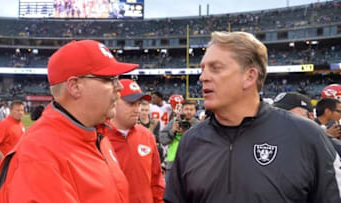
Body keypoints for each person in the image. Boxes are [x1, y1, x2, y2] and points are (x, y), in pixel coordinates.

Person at [164, 31, 341, 203]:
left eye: (215, 68)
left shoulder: (306, 137)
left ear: (249, 76)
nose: (203, 77)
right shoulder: (191, 142)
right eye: (202, 69)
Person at [0, 40, 138, 203]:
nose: (119, 87)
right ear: (75, 87)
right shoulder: (38, 156)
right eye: (110, 79)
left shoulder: (98, 134)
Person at [98, 79, 165, 203]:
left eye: (138, 104)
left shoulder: (147, 136)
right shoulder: (98, 137)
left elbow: (156, 180)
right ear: (114, 102)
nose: (137, 110)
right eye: (131, 104)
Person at [159, 100, 199, 179]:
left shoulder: (199, 125)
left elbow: (202, 145)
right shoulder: (174, 122)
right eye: (186, 109)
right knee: (169, 190)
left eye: (191, 109)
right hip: (173, 164)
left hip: (191, 165)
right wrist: (172, 131)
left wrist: (187, 134)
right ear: (182, 110)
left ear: (195, 111)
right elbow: (162, 140)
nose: (189, 112)